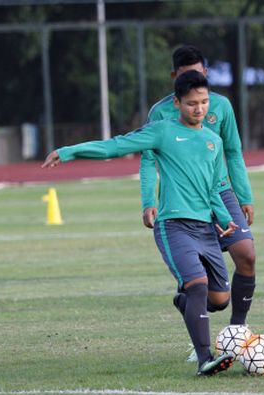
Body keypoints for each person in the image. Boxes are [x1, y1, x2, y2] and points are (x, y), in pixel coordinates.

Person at [43, 70, 237, 376]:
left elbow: (214, 189)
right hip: (173, 226)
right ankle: (204, 360)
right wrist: (69, 152)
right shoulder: (161, 131)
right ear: (177, 103)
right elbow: (115, 146)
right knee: (198, 286)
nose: (199, 109)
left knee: (221, 299)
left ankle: (184, 302)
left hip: (205, 228)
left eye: (203, 103)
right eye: (191, 103)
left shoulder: (213, 141)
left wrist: (224, 218)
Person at [141, 46, 256, 362]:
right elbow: (148, 159)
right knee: (204, 289)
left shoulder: (221, 106)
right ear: (174, 80)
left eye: (200, 75)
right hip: (185, 200)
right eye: (186, 76)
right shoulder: (160, 113)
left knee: (246, 254)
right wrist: (148, 200)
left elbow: (232, 151)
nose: (195, 82)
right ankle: (197, 318)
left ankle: (236, 330)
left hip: (221, 194)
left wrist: (243, 196)